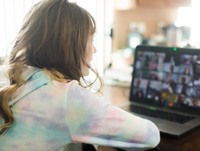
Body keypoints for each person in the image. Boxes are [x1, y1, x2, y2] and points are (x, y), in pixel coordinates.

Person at [0, 0, 160, 151]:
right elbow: (150, 136)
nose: (95, 49)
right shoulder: (65, 97)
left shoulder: (7, 75)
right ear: (68, 45)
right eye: (91, 40)